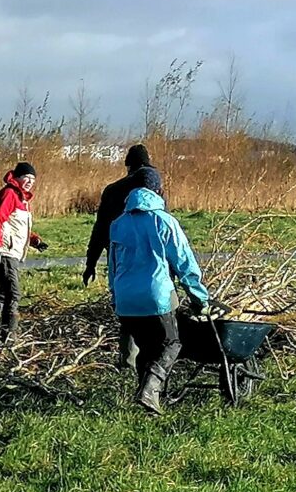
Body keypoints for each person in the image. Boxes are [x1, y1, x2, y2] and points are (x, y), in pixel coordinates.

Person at [108, 184, 209, 415]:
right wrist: (199, 297)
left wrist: (115, 296)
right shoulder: (164, 221)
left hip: (125, 299)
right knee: (172, 343)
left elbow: (112, 266)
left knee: (146, 348)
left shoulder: (118, 224)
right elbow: (184, 262)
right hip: (155, 296)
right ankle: (150, 388)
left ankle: (149, 404)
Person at [82, 143, 166, 368]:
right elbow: (162, 224)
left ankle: (128, 358)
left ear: (128, 165)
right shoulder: (154, 182)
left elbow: (100, 230)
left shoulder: (113, 190)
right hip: (150, 257)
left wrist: (91, 264)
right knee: (155, 301)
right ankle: (155, 355)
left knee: (128, 304)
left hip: (120, 258)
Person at [0, 161, 47, 346]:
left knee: (3, 292)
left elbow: (16, 226)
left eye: (33, 179)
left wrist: (35, 240)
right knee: (14, 292)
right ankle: (9, 336)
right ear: (17, 177)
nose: (29, 181)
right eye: (26, 177)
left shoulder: (23, 200)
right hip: (4, 251)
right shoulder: (10, 193)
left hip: (12, 251)